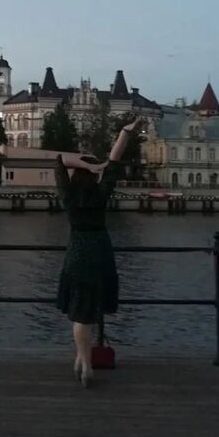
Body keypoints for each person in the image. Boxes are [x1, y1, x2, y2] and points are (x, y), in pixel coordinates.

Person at [54, 120, 140, 387]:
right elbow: (114, 161)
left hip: (78, 252)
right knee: (92, 309)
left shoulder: (68, 196)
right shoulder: (101, 193)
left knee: (80, 313)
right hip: (101, 251)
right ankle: (82, 361)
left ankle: (85, 363)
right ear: (94, 177)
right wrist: (125, 133)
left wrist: (87, 165)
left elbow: (59, 161)